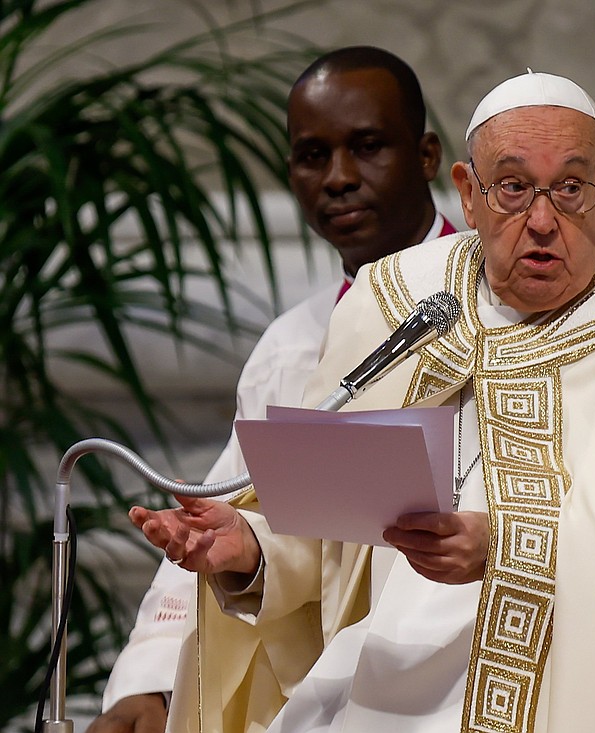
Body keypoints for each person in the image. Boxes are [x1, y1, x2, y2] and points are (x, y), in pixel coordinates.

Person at [130, 70, 595, 732]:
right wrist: (248, 547)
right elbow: (336, 546)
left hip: (571, 677)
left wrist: (507, 549)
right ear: (468, 193)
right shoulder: (401, 301)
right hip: (381, 663)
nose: (542, 220)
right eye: (513, 188)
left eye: (571, 188)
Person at [90, 45, 456, 733]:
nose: (339, 178)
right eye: (312, 155)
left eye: (368, 146)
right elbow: (222, 514)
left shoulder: (498, 308)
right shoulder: (292, 346)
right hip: (335, 679)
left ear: (428, 156)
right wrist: (151, 681)